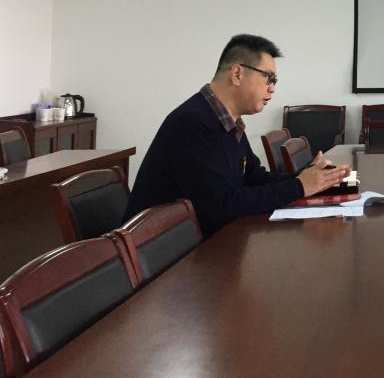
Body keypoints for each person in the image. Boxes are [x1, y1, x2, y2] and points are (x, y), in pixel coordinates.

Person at [125, 34, 350, 236]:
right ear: (237, 73)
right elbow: (220, 205)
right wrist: (299, 186)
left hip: (205, 242)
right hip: (161, 255)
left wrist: (308, 177)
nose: (272, 88)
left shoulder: (228, 121)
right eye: (269, 78)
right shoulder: (192, 123)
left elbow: (253, 178)